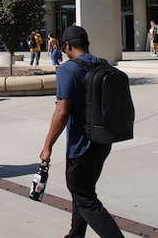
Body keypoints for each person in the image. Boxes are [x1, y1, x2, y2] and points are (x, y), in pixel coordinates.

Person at [39, 25, 124, 238]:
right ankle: (75, 235)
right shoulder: (101, 64)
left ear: (66, 46)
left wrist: (47, 146)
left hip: (81, 147)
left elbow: (62, 110)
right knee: (82, 192)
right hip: (102, 142)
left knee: (85, 198)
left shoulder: (68, 69)